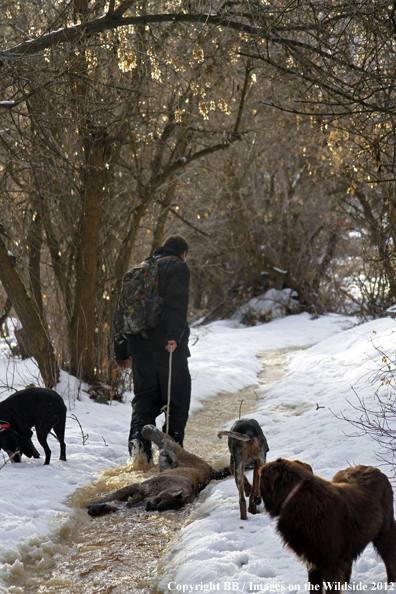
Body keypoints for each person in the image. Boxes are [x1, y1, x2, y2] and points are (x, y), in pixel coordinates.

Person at [114, 235, 191, 464]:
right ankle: (171, 457)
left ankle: (139, 455)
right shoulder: (178, 266)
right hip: (167, 349)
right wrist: (173, 337)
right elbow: (177, 303)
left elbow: (121, 313)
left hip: (138, 347)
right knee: (176, 401)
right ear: (183, 253)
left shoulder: (140, 270)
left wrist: (121, 350)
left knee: (145, 400)